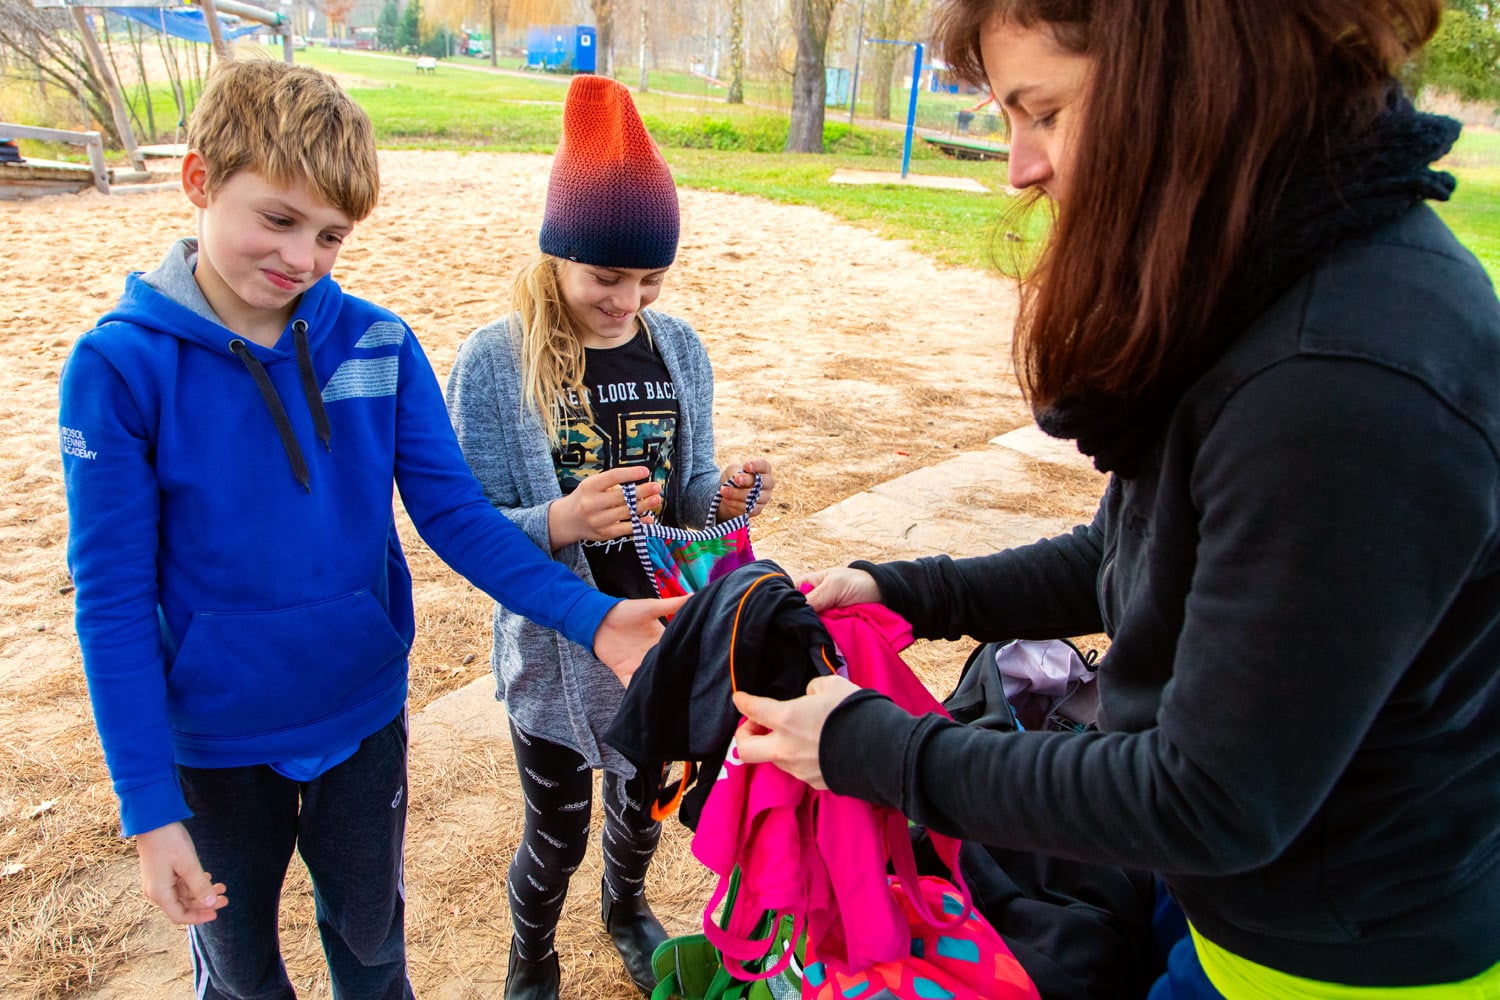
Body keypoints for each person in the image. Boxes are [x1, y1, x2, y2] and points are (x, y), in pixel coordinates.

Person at [732, 1, 1500, 997]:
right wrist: (910, 588)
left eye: (1042, 111)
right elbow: (1132, 557)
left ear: (1183, 82)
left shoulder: (1339, 380)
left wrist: (866, 747)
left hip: (1331, 959)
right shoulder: (1269, 281)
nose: (1020, 167)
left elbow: (1212, 795)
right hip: (1238, 900)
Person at [57, 57, 679, 1000]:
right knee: (239, 971)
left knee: (374, 946)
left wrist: (587, 615)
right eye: (277, 219)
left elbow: (454, 515)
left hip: (359, 716)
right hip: (213, 742)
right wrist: (149, 810)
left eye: (331, 235)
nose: (302, 258)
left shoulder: (379, 344)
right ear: (198, 180)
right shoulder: (117, 369)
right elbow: (107, 603)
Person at [444, 74, 774, 1000]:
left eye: (650, 279)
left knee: (639, 809)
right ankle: (531, 957)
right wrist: (559, 519)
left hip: (658, 643)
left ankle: (625, 907)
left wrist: (732, 501)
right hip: (556, 655)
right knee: (555, 830)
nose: (628, 299)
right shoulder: (494, 363)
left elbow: (693, 496)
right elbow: (466, 522)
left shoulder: (680, 350)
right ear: (555, 255)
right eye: (605, 277)